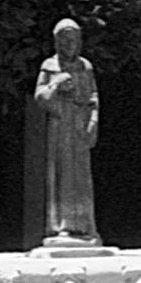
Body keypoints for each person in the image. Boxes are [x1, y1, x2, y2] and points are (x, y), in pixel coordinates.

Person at [36, 17, 99, 244]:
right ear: (57, 43)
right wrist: (56, 85)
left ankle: (83, 224)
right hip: (61, 125)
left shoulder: (85, 66)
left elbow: (93, 97)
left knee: (81, 175)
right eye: (64, 41)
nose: (68, 46)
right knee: (61, 172)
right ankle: (61, 225)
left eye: (73, 41)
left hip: (80, 124)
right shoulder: (49, 66)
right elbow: (40, 96)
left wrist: (93, 122)